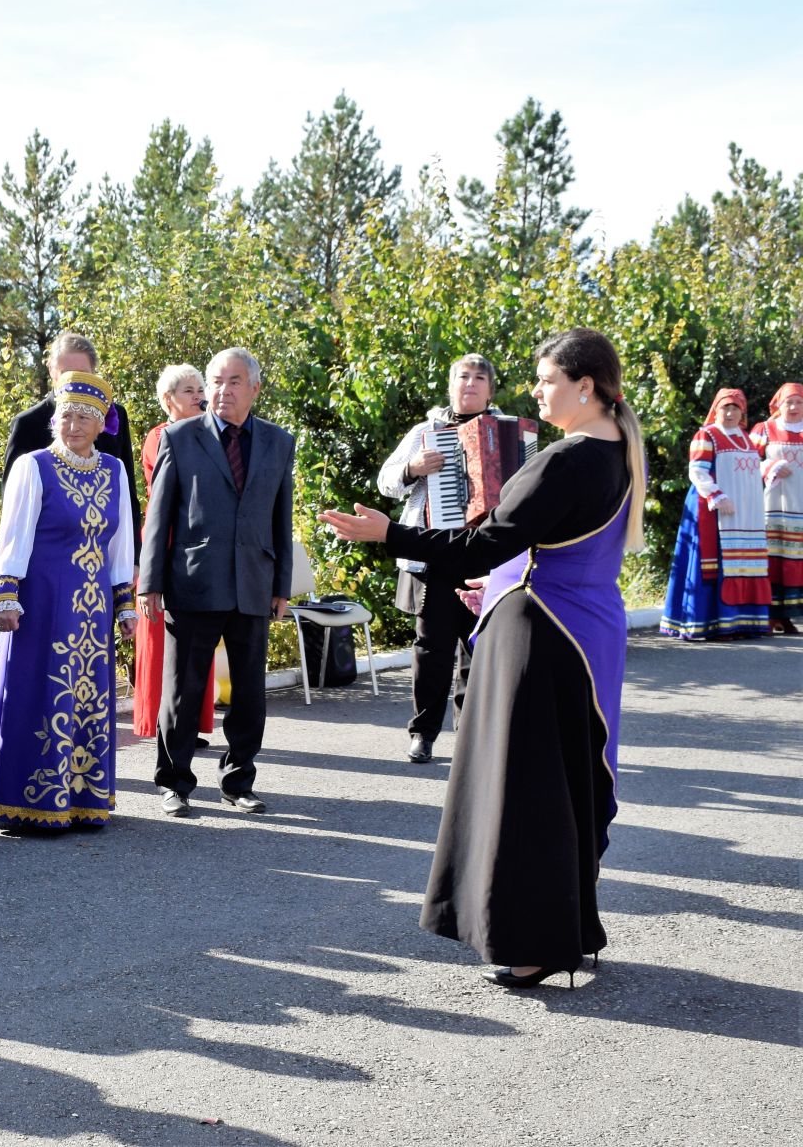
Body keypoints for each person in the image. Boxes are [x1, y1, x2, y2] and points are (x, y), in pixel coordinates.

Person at [323, 327, 647, 989]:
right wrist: (499, 584)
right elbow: (547, 549)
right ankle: (568, 930)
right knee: (571, 787)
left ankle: (533, 944)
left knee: (528, 794)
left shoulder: (568, 459)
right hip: (585, 629)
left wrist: (390, 533)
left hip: (542, 635)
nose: (537, 389)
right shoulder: (619, 450)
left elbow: (484, 543)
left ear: (584, 386)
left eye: (547, 379)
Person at [0, 369, 137, 828]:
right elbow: (14, 538)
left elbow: (119, 542)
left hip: (92, 608)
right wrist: (5, 596)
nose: (74, 425)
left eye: (85, 418)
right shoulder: (34, 466)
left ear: (101, 423)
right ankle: (25, 800)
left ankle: (81, 798)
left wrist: (125, 602)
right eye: (66, 416)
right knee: (37, 691)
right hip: (42, 603)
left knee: (86, 695)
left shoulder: (114, 470)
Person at [136, 348, 294, 817]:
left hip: (253, 583)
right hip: (193, 582)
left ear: (255, 389)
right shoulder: (180, 438)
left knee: (248, 694)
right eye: (216, 381)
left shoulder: (277, 442)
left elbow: (279, 519)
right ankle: (174, 783)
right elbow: (159, 514)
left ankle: (238, 781)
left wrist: (280, 585)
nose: (222, 391)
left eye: (234, 382)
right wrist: (150, 583)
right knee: (182, 691)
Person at [374, 354, 507, 763]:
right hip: (434, 555)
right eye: (462, 376)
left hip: (487, 555)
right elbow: (385, 483)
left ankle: (470, 737)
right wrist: (412, 469)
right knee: (431, 650)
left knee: (480, 649)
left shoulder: (508, 433)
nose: (470, 384)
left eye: (479, 378)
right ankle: (423, 733)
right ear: (451, 385)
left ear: (490, 389)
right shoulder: (425, 431)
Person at [132, 364, 216, 745]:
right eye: (188, 390)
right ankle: (160, 722)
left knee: (198, 640)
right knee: (162, 639)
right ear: (168, 400)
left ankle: (190, 722)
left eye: (201, 387)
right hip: (165, 544)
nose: (198, 395)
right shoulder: (160, 436)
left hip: (201, 546)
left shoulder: (212, 433)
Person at [661, 388, 772, 640]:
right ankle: (712, 623)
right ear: (716, 410)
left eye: (736, 408)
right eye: (726, 407)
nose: (731, 412)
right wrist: (717, 495)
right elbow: (698, 471)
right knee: (714, 564)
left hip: (746, 515)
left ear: (743, 412)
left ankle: (743, 622)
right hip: (713, 511)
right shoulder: (707, 435)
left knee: (745, 563)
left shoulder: (747, 438)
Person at [1, 332, 137, 485]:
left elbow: (128, 490)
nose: (73, 380)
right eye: (66, 373)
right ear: (51, 371)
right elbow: (13, 497)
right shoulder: (28, 424)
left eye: (82, 373)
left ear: (93, 372)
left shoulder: (114, 415)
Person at [750, 382, 803, 633]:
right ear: (778, 405)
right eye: (788, 402)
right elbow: (747, 459)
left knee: (796, 561)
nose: (793, 407)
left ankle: (790, 614)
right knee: (774, 559)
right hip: (772, 507)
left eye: (799, 402)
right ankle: (773, 614)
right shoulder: (766, 430)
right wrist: (768, 467)